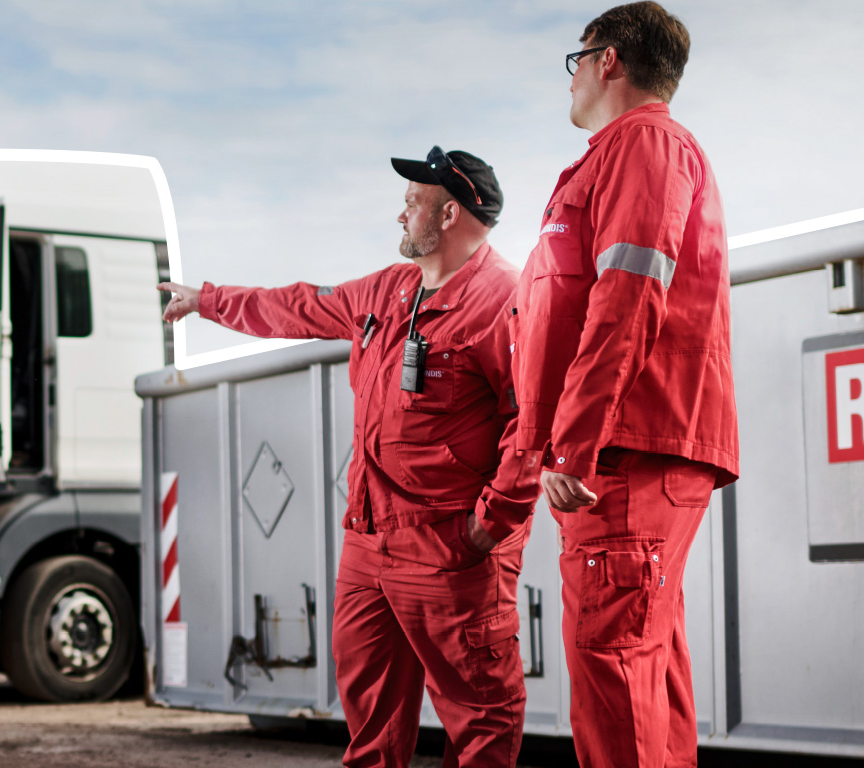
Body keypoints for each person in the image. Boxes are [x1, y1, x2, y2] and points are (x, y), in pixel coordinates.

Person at [160, 148, 529, 768]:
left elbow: (532, 423)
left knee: (481, 720)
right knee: (370, 726)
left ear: (449, 214)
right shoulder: (388, 289)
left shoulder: (504, 300)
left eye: (412, 202)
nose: (400, 214)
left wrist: (488, 526)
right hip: (368, 542)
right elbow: (299, 305)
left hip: (449, 548)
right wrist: (209, 300)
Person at [477, 3, 739, 766]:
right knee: (644, 664)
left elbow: (626, 298)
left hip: (622, 455)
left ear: (608, 61)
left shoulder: (644, 144)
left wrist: (574, 447)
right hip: (623, 450)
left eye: (576, 61)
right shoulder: (620, 155)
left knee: (614, 665)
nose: (572, 80)